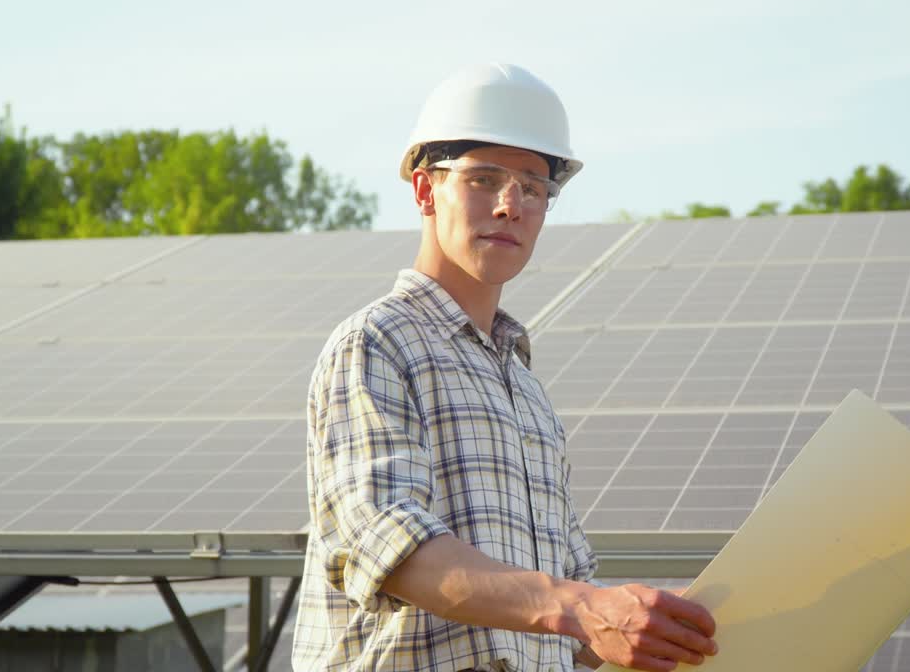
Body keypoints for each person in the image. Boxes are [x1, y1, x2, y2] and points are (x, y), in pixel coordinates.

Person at [292, 63, 718, 672]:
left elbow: (570, 626)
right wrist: (583, 608)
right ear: (424, 190)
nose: (510, 205)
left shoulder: (524, 387)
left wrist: (658, 629)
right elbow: (391, 549)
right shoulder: (377, 342)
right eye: (483, 179)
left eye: (534, 187)